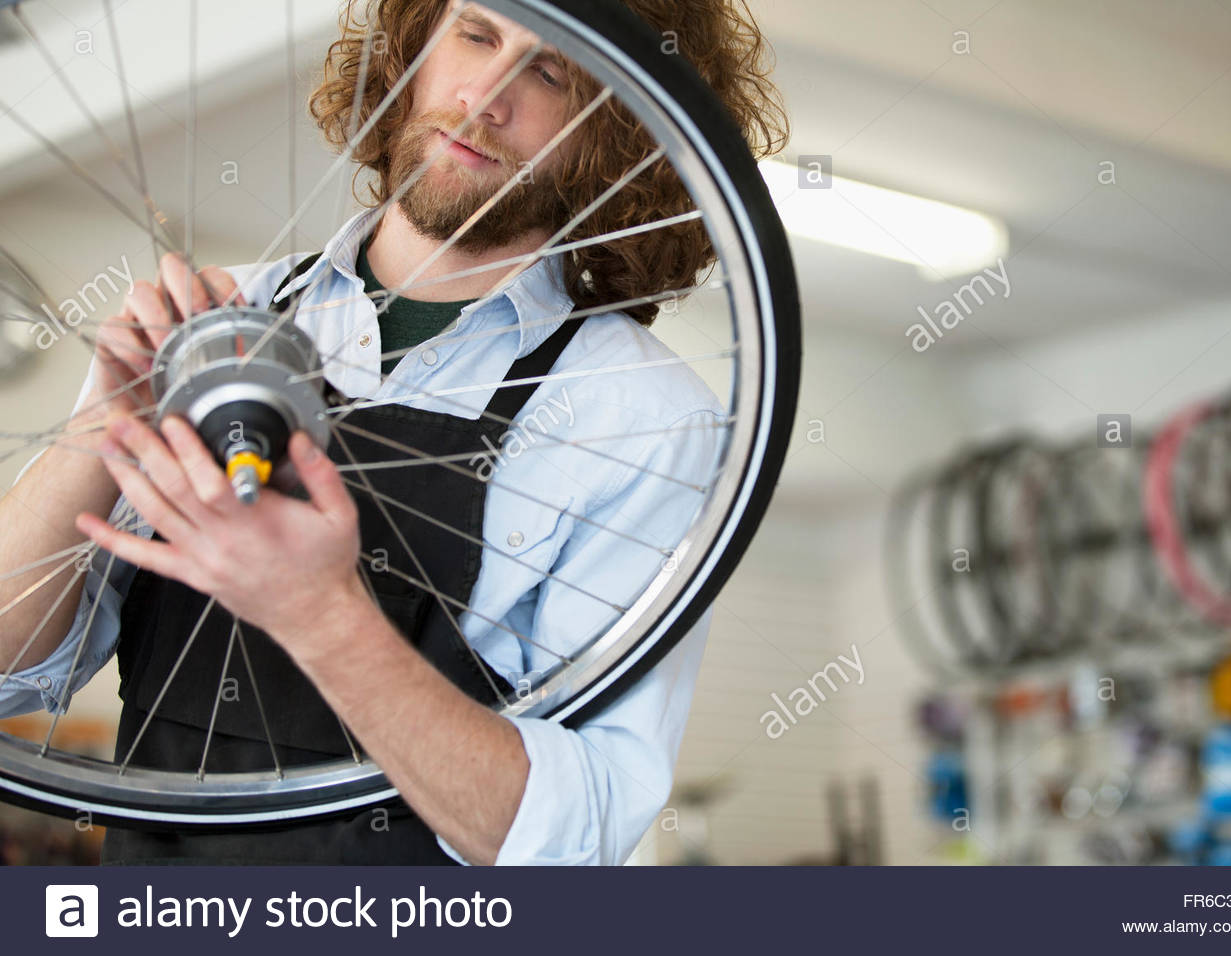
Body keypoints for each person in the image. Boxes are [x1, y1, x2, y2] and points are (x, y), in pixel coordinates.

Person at [0, 0, 788, 865]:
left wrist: (322, 618)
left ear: (620, 137)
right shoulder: (216, 326)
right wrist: (97, 427)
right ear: (416, 45)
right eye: (477, 35)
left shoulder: (644, 415)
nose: (486, 95)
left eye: (550, 71)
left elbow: (576, 840)